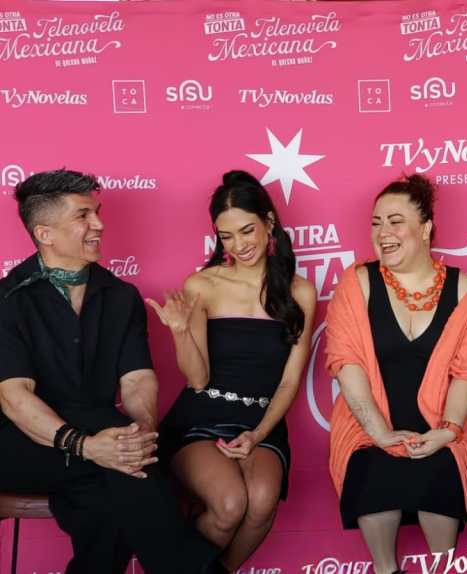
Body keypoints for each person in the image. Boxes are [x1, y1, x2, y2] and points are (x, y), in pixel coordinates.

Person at [0, 169, 223, 573]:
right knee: (117, 453)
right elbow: (15, 398)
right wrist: (87, 446)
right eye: (83, 215)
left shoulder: (121, 296)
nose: (99, 224)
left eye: (97, 212)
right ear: (45, 233)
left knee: (107, 503)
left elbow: (138, 378)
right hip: (21, 446)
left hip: (102, 445)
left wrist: (137, 437)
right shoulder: (8, 300)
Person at [324, 174, 467, 574]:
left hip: (443, 426)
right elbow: (347, 365)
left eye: (395, 221)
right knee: (374, 473)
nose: (383, 232)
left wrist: (448, 431)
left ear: (425, 228)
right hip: (369, 428)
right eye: (376, 223)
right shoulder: (356, 283)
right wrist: (379, 433)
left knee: (439, 477)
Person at [148, 170, 316, 571]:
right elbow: (197, 379)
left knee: (261, 504)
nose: (239, 245)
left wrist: (258, 433)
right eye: (226, 236)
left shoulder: (300, 292)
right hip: (202, 418)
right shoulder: (202, 285)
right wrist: (180, 332)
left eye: (247, 231)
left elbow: (290, 379)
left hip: (261, 421)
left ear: (269, 222)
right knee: (230, 504)